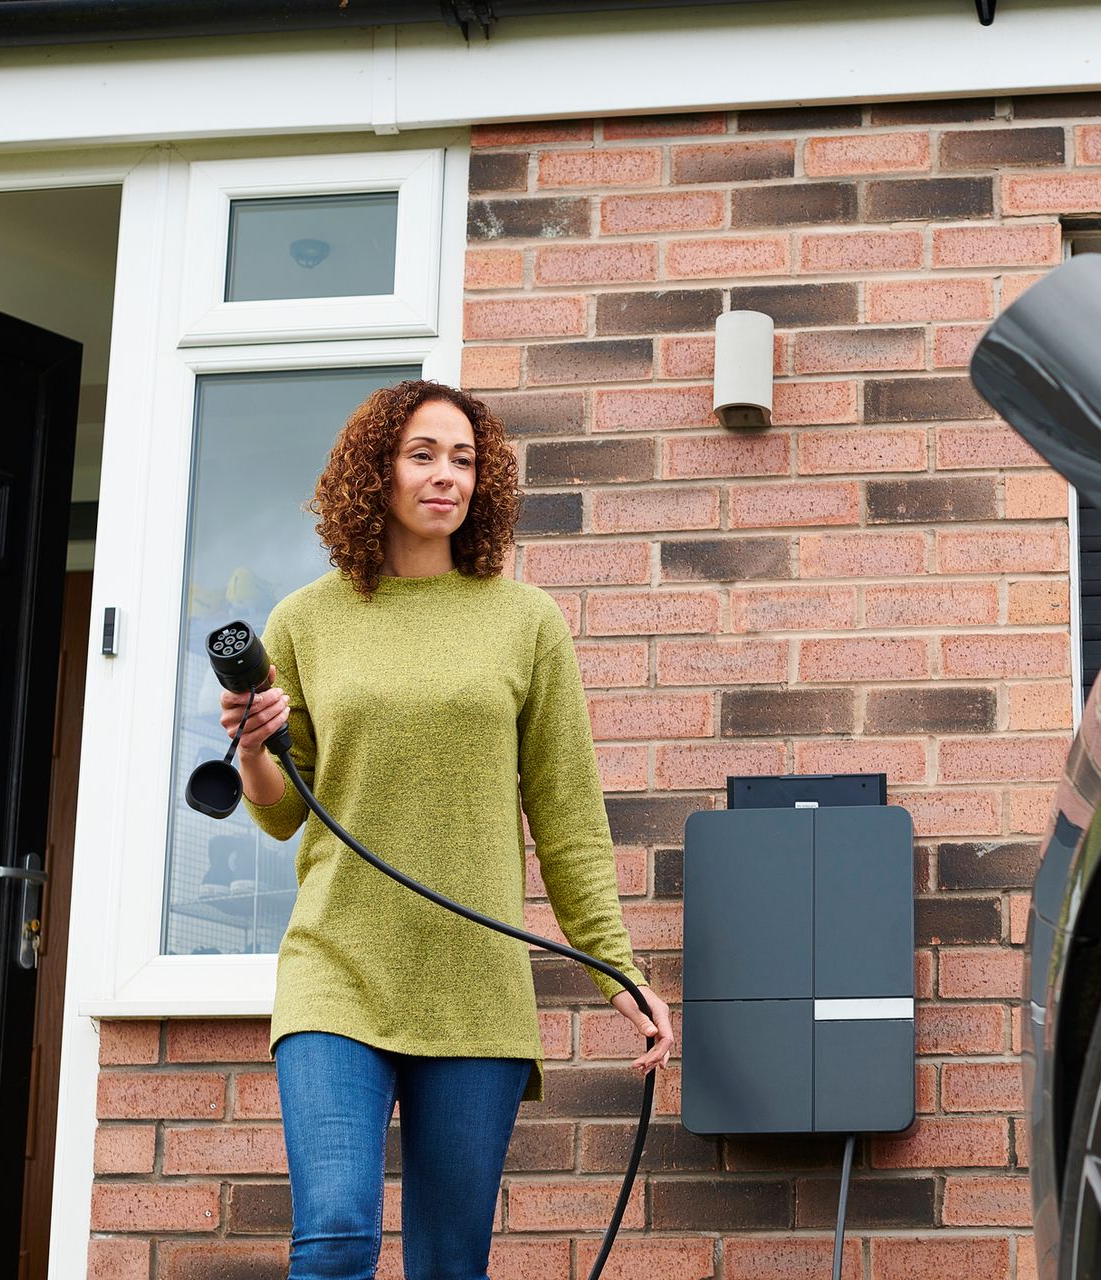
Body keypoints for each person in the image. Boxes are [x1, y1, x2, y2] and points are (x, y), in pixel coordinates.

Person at [220, 378, 674, 1279]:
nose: (446, 477)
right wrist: (250, 747)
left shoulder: (525, 622)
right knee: (337, 1234)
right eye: (422, 455)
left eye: (463, 460)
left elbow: (569, 817)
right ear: (373, 473)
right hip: (337, 967)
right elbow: (281, 814)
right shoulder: (305, 621)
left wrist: (614, 967)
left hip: (475, 986)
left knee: (448, 1263)